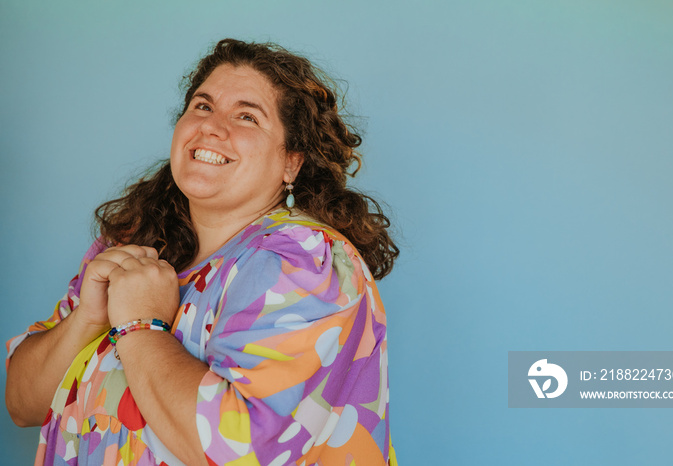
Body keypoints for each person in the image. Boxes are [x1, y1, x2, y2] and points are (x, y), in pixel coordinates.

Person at [6, 38, 399, 466]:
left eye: (247, 116)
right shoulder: (133, 242)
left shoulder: (304, 261)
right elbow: (22, 404)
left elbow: (238, 453)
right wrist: (89, 318)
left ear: (292, 162)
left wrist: (140, 326)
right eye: (202, 106)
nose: (211, 127)